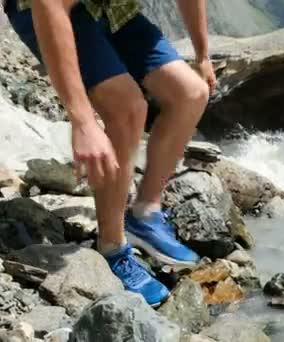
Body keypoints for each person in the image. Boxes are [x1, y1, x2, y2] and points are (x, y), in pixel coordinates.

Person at [3, 0, 217, 307]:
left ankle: (144, 214)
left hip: (112, 8)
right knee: (128, 109)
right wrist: (83, 121)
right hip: (46, 9)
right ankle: (112, 247)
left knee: (191, 93)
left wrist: (203, 55)